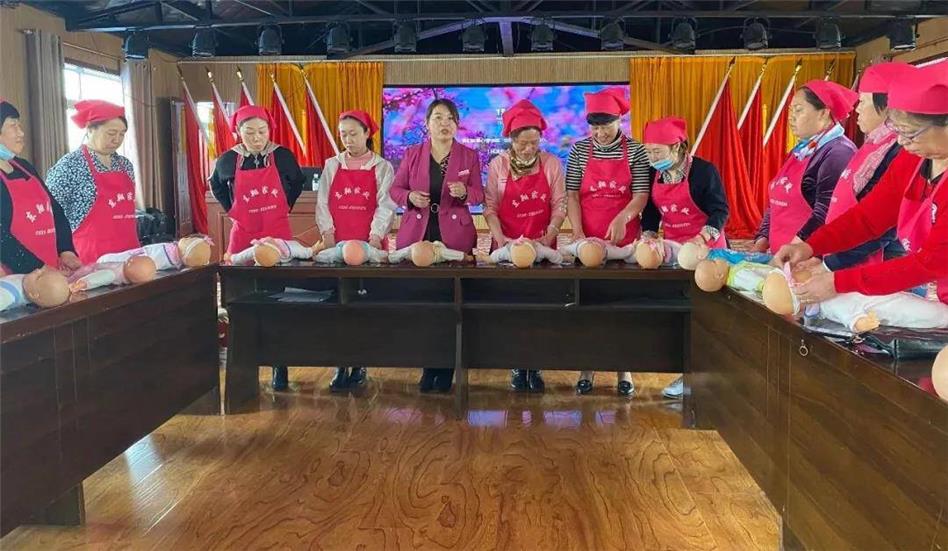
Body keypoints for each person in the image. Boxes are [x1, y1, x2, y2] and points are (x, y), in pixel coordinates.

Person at [774, 63, 948, 314]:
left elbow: (929, 263)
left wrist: (838, 281)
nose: (901, 141)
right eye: (897, 130)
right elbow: (868, 218)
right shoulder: (913, 159)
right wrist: (810, 246)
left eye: (910, 133)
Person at [390, 98, 485, 393]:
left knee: (450, 304)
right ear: (427, 124)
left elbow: (479, 194)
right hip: (418, 234)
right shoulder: (412, 154)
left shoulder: (468, 155)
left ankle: (445, 368)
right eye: (438, 118)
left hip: (454, 235)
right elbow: (395, 190)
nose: (445, 124)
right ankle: (427, 365)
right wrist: (409, 198)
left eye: (450, 119)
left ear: (457, 125)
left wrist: (465, 192)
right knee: (424, 304)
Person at [210, 104, 305, 391]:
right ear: (238, 132)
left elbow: (297, 183)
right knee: (240, 300)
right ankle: (244, 363)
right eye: (249, 132)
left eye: (262, 131)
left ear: (269, 130)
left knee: (277, 300)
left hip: (277, 233)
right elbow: (216, 186)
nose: (256, 137)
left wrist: (284, 207)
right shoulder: (228, 160)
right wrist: (233, 210)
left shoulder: (282, 156)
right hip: (243, 235)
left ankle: (279, 364)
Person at [565, 87, 650, 397]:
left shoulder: (636, 151)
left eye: (606, 126)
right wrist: (577, 232)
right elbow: (572, 195)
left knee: (621, 307)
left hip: (624, 241)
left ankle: (623, 369)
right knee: (587, 306)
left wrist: (623, 218)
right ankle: (587, 368)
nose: (600, 133)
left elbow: (641, 194)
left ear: (619, 121)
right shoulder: (578, 150)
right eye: (594, 127)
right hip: (588, 240)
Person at [640, 116, 729, 400]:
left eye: (658, 152)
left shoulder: (703, 172)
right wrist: (649, 235)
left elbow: (720, 210)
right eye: (648, 151)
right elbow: (651, 210)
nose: (652, 158)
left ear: (677, 147)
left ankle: (709, 376)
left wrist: (701, 238)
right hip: (675, 250)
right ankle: (686, 372)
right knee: (681, 313)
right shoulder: (653, 173)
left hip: (706, 248)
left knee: (707, 316)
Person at [485, 99, 566, 393]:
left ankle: (537, 365)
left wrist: (549, 234)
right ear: (511, 140)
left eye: (534, 142)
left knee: (539, 308)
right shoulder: (499, 165)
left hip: (542, 246)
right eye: (523, 143)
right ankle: (517, 365)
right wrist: (502, 240)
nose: (529, 148)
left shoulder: (552, 164)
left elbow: (559, 204)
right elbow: (491, 207)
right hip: (507, 247)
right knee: (511, 309)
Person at [315, 109, 396, 391]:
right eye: (343, 135)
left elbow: (386, 205)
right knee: (337, 306)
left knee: (363, 307)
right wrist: (327, 233)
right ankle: (340, 364)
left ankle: (360, 363)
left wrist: (374, 237)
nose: (348, 139)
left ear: (367, 133)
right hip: (336, 245)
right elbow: (323, 202)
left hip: (368, 246)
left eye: (353, 133)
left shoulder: (382, 167)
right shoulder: (331, 165)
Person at [822, 61, 913, 270]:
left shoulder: (900, 148)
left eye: (863, 101)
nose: (857, 109)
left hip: (878, 262)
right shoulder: (873, 145)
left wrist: (832, 263)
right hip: (844, 255)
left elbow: (884, 223)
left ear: (887, 105)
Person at [751, 81, 858, 254]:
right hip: (784, 258)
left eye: (798, 110)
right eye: (791, 110)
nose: (791, 117)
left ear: (823, 113)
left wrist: (793, 251)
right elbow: (776, 201)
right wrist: (761, 241)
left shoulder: (838, 153)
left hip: (808, 259)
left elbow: (825, 213)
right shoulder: (801, 150)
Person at [46, 100, 138, 263]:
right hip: (88, 257)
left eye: (122, 134)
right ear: (90, 129)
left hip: (129, 254)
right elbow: (50, 214)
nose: (117, 139)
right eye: (111, 133)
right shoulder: (70, 165)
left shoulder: (125, 165)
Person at [0, 98, 79, 274]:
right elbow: (2, 240)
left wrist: (66, 249)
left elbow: (54, 210)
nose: (21, 133)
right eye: (13, 126)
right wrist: (39, 269)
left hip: (51, 270)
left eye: (19, 125)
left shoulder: (24, 167)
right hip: (19, 277)